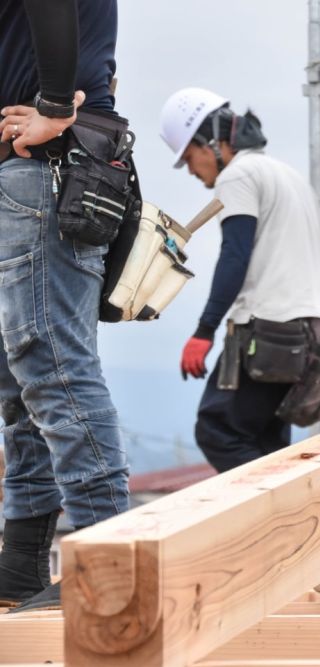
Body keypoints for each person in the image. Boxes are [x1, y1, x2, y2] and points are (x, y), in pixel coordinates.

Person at [0, 0, 130, 612]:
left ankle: (110, 573)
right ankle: (21, 568)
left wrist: (54, 106)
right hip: (42, 170)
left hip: (46, 167)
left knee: (53, 368)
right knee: (23, 383)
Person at [159, 88, 320, 473]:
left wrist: (204, 330)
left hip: (268, 333)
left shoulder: (238, 176)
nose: (193, 171)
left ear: (210, 142)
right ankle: (285, 529)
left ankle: (276, 515)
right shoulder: (292, 178)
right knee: (266, 442)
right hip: (312, 335)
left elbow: (235, 255)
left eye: (189, 158)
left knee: (218, 430)